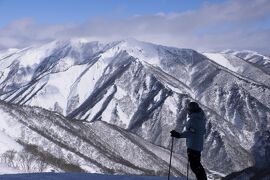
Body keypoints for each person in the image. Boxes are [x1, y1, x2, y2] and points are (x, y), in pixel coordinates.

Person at [170, 101, 207, 180]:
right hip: (198, 146)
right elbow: (203, 131)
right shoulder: (201, 119)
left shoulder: (193, 121)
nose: (188, 112)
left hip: (193, 146)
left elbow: (190, 133)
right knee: (197, 165)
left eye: (189, 110)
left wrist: (178, 135)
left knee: (195, 167)